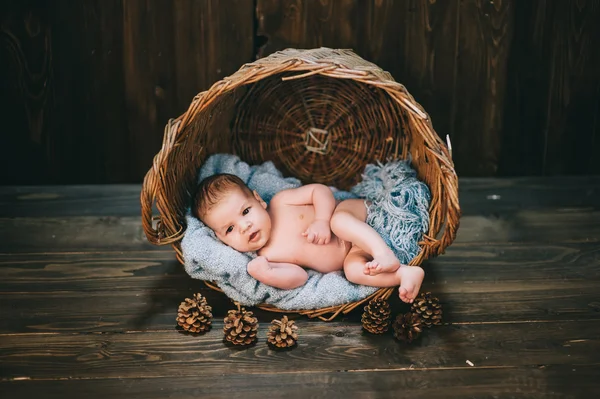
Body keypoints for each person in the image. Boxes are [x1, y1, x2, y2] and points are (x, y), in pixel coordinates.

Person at [192, 173, 424, 303]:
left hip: (354, 214)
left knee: (339, 223)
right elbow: (299, 277)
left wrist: (322, 220)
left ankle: (384, 253)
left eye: (245, 212)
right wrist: (268, 274)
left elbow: (319, 190)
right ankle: (404, 274)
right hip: (354, 252)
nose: (244, 226)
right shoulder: (267, 255)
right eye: (230, 230)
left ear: (258, 200)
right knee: (354, 272)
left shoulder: (281, 202)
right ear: (221, 240)